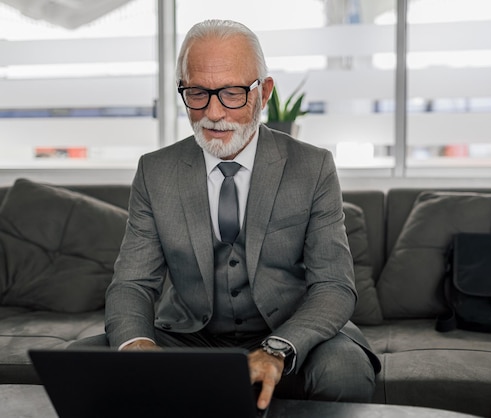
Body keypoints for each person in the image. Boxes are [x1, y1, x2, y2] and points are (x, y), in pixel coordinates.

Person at [100, 19, 380, 410]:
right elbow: (132, 282)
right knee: (87, 365)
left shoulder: (312, 166)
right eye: (197, 93)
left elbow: (334, 286)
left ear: (263, 93)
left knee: (345, 372)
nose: (213, 112)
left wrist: (279, 348)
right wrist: (136, 344)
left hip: (289, 330)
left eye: (232, 93)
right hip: (189, 335)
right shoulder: (155, 170)